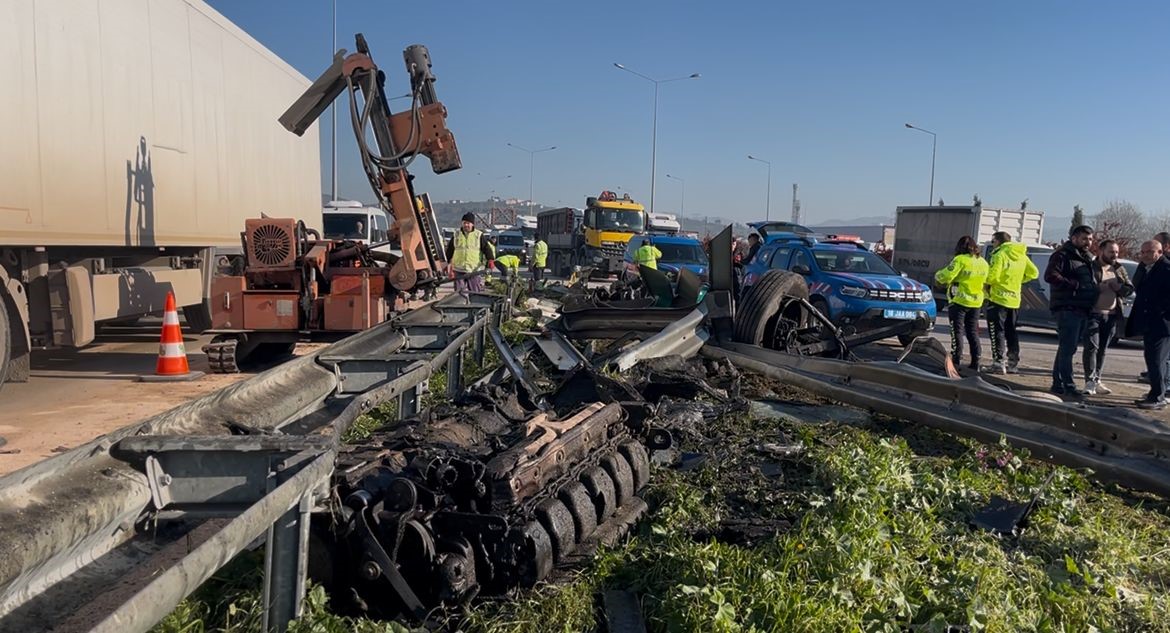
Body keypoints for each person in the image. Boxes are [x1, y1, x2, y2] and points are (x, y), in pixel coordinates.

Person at [1044, 225, 1098, 396]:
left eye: (1090, 239)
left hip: (1082, 307)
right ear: (1074, 238)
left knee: (1066, 348)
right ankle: (1068, 384)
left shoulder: (1087, 258)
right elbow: (1050, 275)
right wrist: (1074, 285)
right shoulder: (1062, 255)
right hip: (1067, 307)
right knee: (1068, 348)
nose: (1088, 242)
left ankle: (1058, 382)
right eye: (1084, 239)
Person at [1081, 239, 1133, 395]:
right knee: (1092, 347)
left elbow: (1129, 288)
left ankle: (1097, 380)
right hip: (1093, 313)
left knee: (1102, 350)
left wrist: (1120, 288)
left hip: (1111, 315)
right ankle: (1089, 381)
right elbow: (1083, 287)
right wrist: (1098, 288)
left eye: (1116, 252)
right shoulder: (1091, 267)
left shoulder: (1118, 269)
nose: (1114, 255)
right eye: (1111, 252)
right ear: (1101, 251)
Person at [983, 231, 1039, 374]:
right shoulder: (1021, 255)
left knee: (997, 332)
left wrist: (984, 282)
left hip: (998, 298)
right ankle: (1013, 363)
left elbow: (992, 277)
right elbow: (1034, 273)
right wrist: (1018, 281)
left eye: (993, 241)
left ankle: (998, 363)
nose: (993, 244)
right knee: (1011, 331)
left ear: (998, 241)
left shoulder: (999, 254)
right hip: (1014, 299)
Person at [1126, 240, 1170, 409]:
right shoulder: (1144, 269)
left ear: (1159, 252)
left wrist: (1161, 312)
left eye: (1149, 252)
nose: (1144, 255)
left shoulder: (1166, 270)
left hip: (1162, 324)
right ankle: (1156, 392)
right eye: (1143, 252)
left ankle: (1158, 396)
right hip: (1149, 322)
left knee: (1157, 360)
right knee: (1152, 359)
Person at [934, 235, 989, 370]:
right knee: (972, 332)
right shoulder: (983, 262)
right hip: (976, 302)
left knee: (956, 331)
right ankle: (976, 361)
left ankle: (956, 360)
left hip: (959, 300)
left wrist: (937, 276)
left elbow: (946, 275)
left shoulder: (960, 260)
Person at [445, 213, 494, 295]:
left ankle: (475, 307)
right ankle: (459, 307)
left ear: (472, 224)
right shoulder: (456, 235)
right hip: (459, 269)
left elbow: (486, 248)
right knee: (458, 295)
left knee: (475, 294)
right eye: (464, 223)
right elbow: (450, 250)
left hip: (473, 270)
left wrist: (490, 259)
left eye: (468, 223)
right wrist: (445, 263)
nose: (466, 225)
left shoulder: (478, 235)